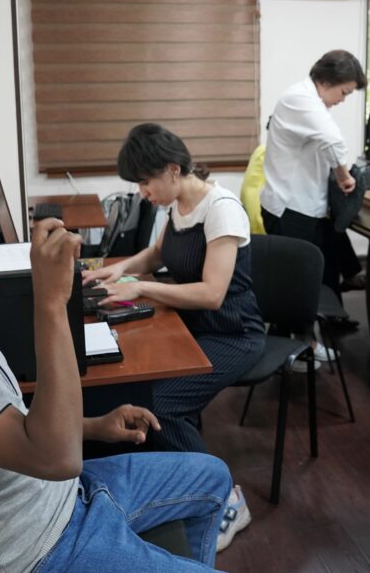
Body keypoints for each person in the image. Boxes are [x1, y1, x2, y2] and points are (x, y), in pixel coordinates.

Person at [0, 157, 232, 573]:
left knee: (212, 476)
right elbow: (58, 459)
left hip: (64, 495)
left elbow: (11, 426)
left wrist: (90, 425)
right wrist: (51, 302)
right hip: (44, 550)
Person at [82, 123, 262, 550]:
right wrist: (120, 268)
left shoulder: (221, 208)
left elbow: (213, 294)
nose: (143, 192)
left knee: (161, 403)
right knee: (140, 384)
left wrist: (142, 286)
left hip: (234, 332)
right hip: (193, 324)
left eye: (145, 182)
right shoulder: (178, 206)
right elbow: (158, 254)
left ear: (172, 169)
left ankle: (227, 500)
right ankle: (173, 478)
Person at [260, 49, 368, 297]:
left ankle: (329, 325)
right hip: (290, 208)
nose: (343, 100)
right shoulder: (299, 99)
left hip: (305, 206)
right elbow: (333, 141)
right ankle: (293, 334)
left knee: (323, 272)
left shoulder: (309, 101)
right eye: (344, 93)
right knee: (298, 285)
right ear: (327, 81)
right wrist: (343, 176)